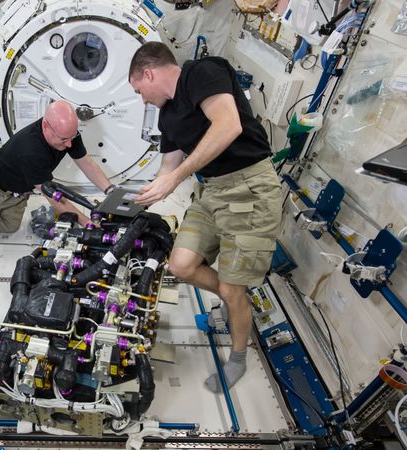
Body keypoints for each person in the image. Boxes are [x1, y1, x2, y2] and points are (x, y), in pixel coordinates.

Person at [128, 42, 282, 392]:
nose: (142, 100)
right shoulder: (167, 116)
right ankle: (236, 300)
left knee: (231, 286)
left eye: (139, 90)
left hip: (251, 189)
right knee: (181, 265)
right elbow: (166, 170)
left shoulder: (202, 71)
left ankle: (239, 356)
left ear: (149, 73)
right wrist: (138, 198)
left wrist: (177, 176)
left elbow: (228, 126)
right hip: (212, 191)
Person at [0, 101, 114, 234]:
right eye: (63, 140)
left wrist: (110, 191)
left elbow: (87, 164)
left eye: (71, 137)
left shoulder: (68, 134)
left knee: (10, 228)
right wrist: (88, 224)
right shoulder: (31, 151)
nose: (69, 145)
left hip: (18, 193)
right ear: (46, 126)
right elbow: (55, 199)